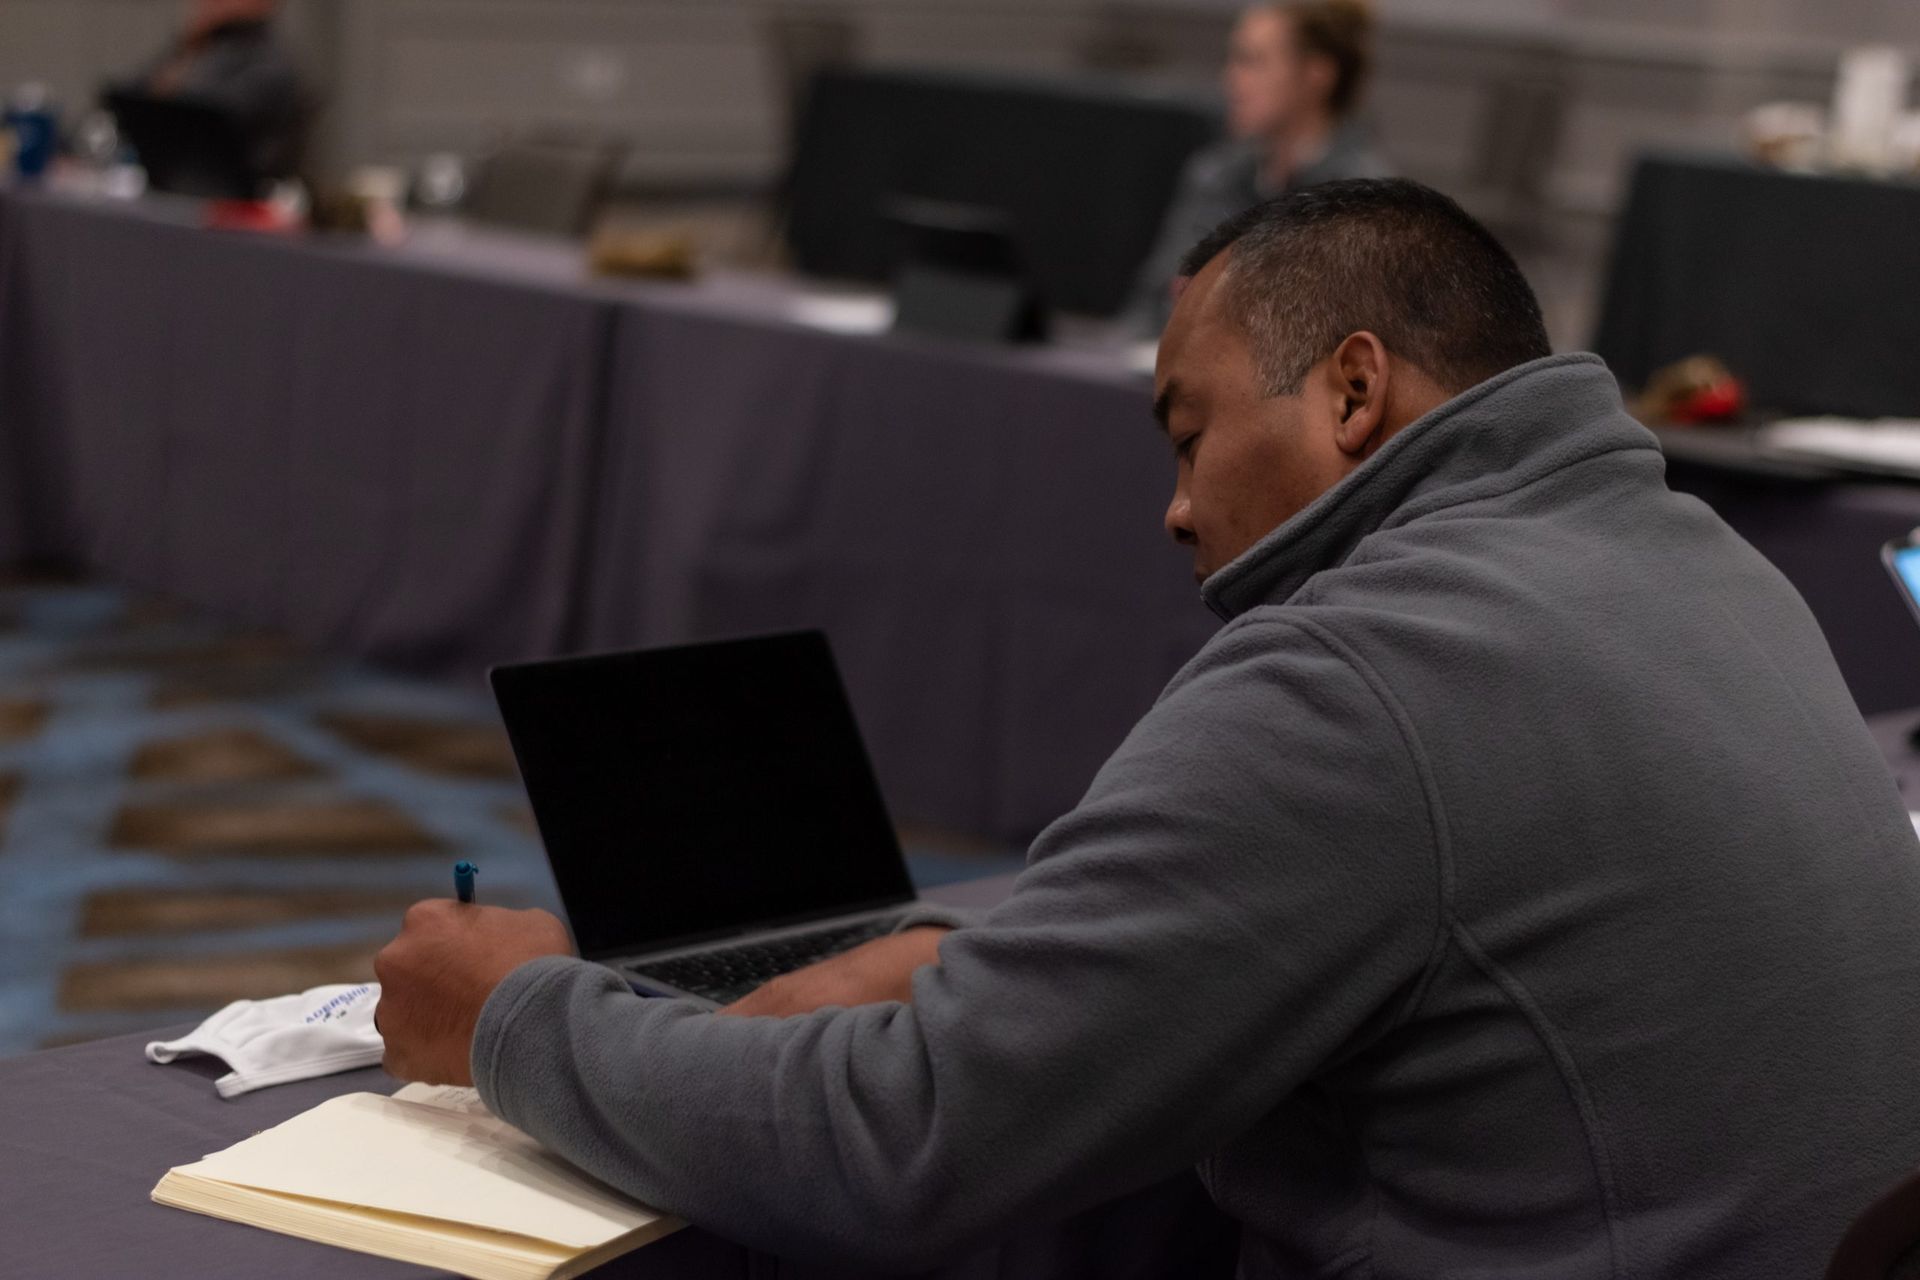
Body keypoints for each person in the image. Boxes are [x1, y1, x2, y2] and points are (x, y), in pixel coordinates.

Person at [374, 180, 1920, 1278]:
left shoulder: (1360, 675)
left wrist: (514, 1016)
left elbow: (901, 1153)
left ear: (1354, 392)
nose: (1176, 510)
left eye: (1190, 435)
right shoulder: (1709, 563)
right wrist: (1002, 964)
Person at [1125, 0, 1390, 337]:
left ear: (1316, 74)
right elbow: (1152, 302)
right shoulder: (1213, 175)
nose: (1232, 79)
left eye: (1253, 62)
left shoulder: (1365, 204)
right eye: (1234, 60)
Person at [118, 0, 307, 179]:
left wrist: (192, 51)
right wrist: (189, 48)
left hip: (236, 192)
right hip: (181, 181)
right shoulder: (204, 46)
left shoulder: (271, 63)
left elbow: (199, 116)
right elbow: (133, 93)